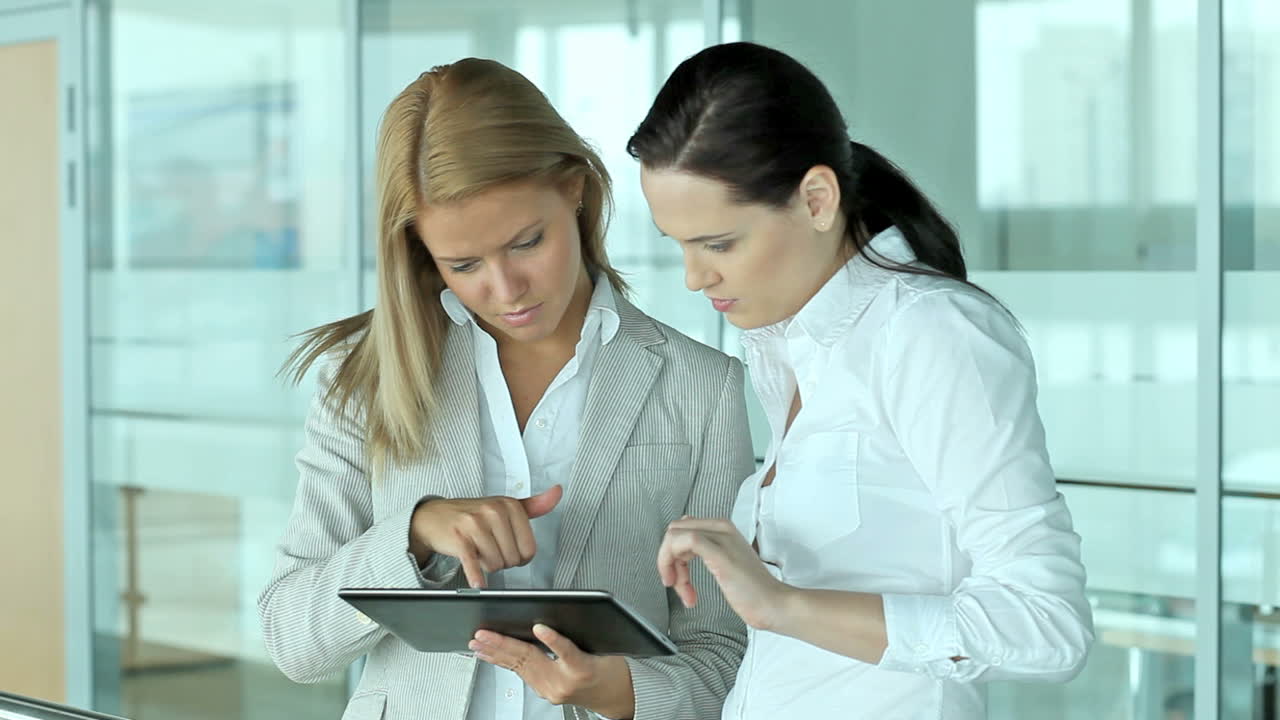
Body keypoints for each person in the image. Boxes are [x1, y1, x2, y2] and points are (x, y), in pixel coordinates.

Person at [258, 58, 752, 720]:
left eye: (526, 242)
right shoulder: (366, 375)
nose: (505, 289)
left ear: (574, 189)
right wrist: (415, 536)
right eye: (463, 264)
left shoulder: (703, 388)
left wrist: (620, 690)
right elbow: (293, 641)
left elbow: (727, 654)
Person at [629, 42, 1094, 719]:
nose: (695, 277)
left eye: (719, 244)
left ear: (817, 199)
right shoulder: (783, 347)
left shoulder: (931, 335)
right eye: (679, 244)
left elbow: (1048, 627)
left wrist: (785, 605)